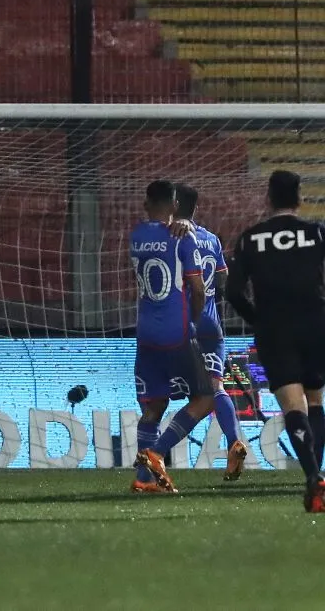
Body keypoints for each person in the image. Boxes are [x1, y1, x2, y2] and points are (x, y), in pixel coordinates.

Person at [225, 170, 325, 512]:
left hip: (275, 329)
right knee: (315, 399)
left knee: (292, 405)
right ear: (300, 198)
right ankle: (317, 475)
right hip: (315, 324)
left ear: (268, 198)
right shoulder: (316, 233)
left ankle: (313, 476)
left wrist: (259, 321)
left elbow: (233, 292)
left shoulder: (251, 238)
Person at [129, 180, 215, 494]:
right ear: (175, 205)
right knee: (206, 398)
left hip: (145, 333)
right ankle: (157, 452)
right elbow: (197, 289)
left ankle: (143, 479)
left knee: (154, 406)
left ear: (146, 204)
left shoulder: (136, 236)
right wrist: (194, 321)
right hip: (176, 332)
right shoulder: (184, 238)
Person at [173, 184, 248, 480]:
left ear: (173, 204)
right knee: (216, 389)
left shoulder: (170, 238)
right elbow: (224, 278)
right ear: (196, 207)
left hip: (183, 324)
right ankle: (234, 442)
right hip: (211, 323)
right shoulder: (212, 239)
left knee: (164, 397)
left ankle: (152, 453)